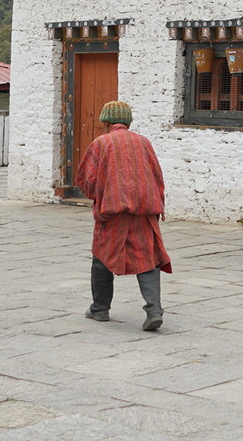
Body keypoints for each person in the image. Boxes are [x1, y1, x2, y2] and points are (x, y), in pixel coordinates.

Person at [74, 100, 171, 330]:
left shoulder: (101, 143)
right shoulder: (143, 142)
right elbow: (157, 176)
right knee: (147, 259)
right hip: (144, 212)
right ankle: (154, 309)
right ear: (128, 121)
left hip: (113, 212)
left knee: (102, 257)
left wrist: (99, 196)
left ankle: (100, 309)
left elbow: (86, 179)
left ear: (106, 121)